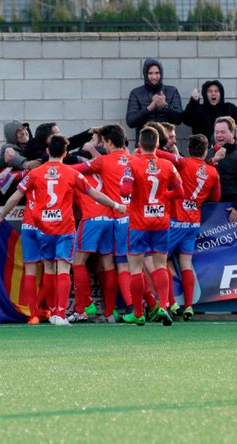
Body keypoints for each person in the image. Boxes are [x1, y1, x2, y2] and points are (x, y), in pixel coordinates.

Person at [0, 135, 126, 326]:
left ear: (48, 152)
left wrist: (1, 216)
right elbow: (95, 194)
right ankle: (60, 314)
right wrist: (116, 205)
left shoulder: (35, 173)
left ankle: (44, 312)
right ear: (65, 152)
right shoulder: (72, 174)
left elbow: (15, 197)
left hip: (42, 228)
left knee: (47, 267)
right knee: (63, 267)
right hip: (64, 227)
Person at [119, 127, 184, 326]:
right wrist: (165, 196)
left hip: (139, 222)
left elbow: (124, 192)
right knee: (160, 264)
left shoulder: (132, 164)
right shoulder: (168, 165)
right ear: (157, 144)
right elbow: (180, 192)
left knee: (136, 268)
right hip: (161, 221)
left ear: (139, 144)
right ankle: (163, 306)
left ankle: (139, 313)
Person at [70, 125, 133, 323]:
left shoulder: (91, 167)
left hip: (92, 219)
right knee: (111, 264)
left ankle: (83, 307)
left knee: (77, 262)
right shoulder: (120, 162)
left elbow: (70, 172)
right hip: (112, 217)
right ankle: (110, 312)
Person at [155, 134, 220, 320]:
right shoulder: (213, 172)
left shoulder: (183, 163)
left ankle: (170, 303)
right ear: (206, 151)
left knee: (158, 261)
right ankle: (189, 306)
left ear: (189, 149)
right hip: (193, 223)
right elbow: (216, 198)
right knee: (185, 263)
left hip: (176, 221)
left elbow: (157, 152)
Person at [207, 116, 237, 223]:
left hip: (234, 214)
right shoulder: (208, 154)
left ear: (232, 133)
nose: (219, 135)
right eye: (216, 132)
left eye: (223, 132)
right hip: (209, 213)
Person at [126, 58, 182, 142]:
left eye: (157, 73)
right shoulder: (136, 93)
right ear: (145, 74)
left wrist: (165, 106)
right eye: (150, 73)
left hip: (167, 144)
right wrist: (150, 108)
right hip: (145, 144)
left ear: (161, 74)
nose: (154, 77)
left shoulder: (172, 91)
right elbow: (131, 121)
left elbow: (179, 119)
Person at [182, 79, 237, 143]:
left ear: (221, 94)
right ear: (205, 94)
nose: (213, 93)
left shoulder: (228, 108)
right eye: (210, 91)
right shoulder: (198, 109)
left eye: (216, 91)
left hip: (226, 151)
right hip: (203, 152)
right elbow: (186, 120)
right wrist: (193, 101)